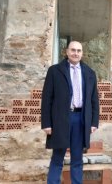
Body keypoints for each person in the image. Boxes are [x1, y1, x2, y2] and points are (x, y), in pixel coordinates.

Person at [41, 41, 100, 184]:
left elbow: (94, 100)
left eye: (79, 51)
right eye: (73, 50)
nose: (76, 53)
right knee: (58, 156)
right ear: (67, 52)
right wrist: (46, 123)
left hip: (81, 119)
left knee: (77, 158)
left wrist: (93, 122)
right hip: (61, 118)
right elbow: (46, 98)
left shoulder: (89, 73)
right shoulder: (55, 71)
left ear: (82, 53)